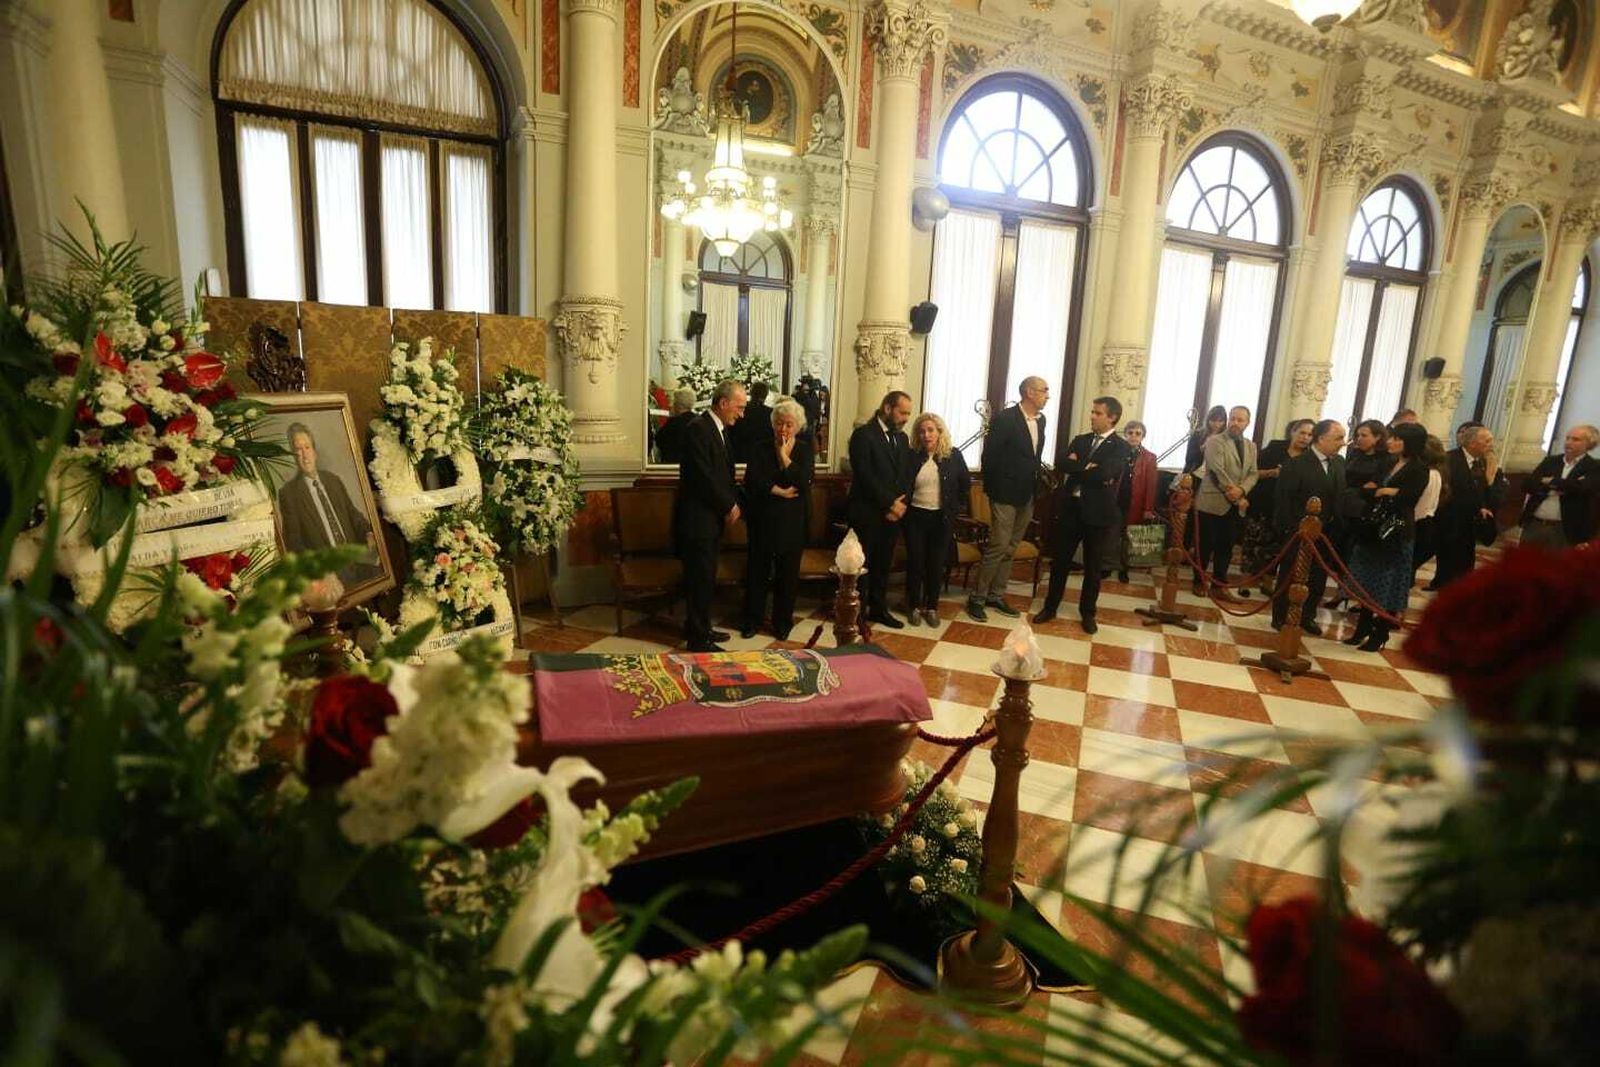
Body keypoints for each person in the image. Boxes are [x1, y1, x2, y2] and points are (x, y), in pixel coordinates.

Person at [1032, 397, 1131, 635]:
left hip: (1098, 514)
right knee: (1060, 563)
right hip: (1070, 510)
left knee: (1093, 566)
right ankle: (1050, 607)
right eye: (1092, 411)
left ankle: (1088, 613)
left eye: (1097, 413)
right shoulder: (1081, 440)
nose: (1092, 416)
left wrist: (1080, 467)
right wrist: (1087, 468)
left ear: (1112, 418)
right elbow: (1062, 462)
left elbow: (1107, 473)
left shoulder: (1120, 446)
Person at [1343, 422, 1430, 652]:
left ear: (1409, 443)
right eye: (1391, 438)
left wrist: (1384, 491)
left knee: (1387, 583)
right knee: (1367, 580)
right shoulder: (1389, 462)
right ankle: (1361, 628)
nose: (1390, 442)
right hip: (1374, 523)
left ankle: (1379, 632)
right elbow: (1370, 489)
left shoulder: (1419, 468)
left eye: (1397, 439)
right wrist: (1383, 491)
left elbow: (1407, 499)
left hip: (1397, 528)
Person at [967, 377, 1047, 622]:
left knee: (1011, 547)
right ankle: (977, 598)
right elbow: (989, 456)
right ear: (1029, 393)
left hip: (1028, 492)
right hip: (1004, 492)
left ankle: (996, 595)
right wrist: (993, 488)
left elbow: (1034, 456)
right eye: (1044, 391)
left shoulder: (1041, 420)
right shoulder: (1005, 418)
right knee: (999, 544)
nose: (1047, 395)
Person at [674, 379, 746, 651]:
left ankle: (702, 627)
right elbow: (703, 477)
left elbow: (722, 474)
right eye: (739, 407)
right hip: (697, 520)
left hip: (709, 519)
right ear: (723, 403)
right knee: (699, 578)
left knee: (706, 576)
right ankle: (697, 638)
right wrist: (729, 505)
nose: (741, 413)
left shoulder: (717, 428)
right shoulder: (698, 429)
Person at [741, 397, 813, 640]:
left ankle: (782, 622)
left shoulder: (804, 449)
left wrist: (784, 457)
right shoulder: (759, 447)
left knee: (787, 576)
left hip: (792, 522)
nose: (783, 429)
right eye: (779, 424)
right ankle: (752, 620)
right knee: (757, 572)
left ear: (797, 426)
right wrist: (778, 490)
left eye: (789, 424)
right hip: (763, 519)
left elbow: (804, 482)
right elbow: (752, 480)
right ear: (773, 424)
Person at [1271, 419, 1347, 636]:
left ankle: (1307, 616)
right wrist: (1293, 531)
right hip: (1298, 534)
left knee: (1317, 578)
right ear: (1321, 438)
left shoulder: (1339, 463)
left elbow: (1338, 497)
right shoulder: (1296, 464)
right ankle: (1281, 617)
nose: (1343, 442)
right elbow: (1283, 501)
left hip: (1326, 535)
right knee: (1290, 576)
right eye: (1338, 438)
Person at [278, 422, 379, 586]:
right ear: (293, 456)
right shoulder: (289, 494)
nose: (304, 455)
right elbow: (294, 543)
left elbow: (353, 514)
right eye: (298, 450)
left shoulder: (333, 481)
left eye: (307, 448)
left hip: (358, 559)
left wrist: (368, 532)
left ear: (315, 451)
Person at [848, 390, 913, 629]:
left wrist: (900, 505)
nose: (906, 417)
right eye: (902, 412)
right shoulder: (863, 435)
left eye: (908, 413)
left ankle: (878, 608)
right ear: (887, 408)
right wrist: (889, 503)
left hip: (892, 514)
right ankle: (858, 615)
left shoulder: (902, 438)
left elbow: (906, 474)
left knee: (883, 564)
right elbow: (865, 476)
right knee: (863, 565)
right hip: (867, 512)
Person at [903, 413, 970, 627]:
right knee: (915, 562)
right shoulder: (912, 455)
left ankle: (931, 607)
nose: (926, 435)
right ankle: (913, 605)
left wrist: (954, 510)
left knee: (936, 563)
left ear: (939, 432)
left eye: (931, 430)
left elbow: (964, 485)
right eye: (922, 431)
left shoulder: (953, 455)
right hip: (915, 516)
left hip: (941, 518)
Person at [1327, 419, 1393, 608]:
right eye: (1358, 435)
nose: (1359, 439)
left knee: (1360, 555)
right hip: (1345, 507)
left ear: (1378, 437)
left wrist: (1362, 489)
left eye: (1364, 435)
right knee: (1341, 552)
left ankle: (1362, 598)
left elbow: (1375, 486)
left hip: (1366, 511)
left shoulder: (1386, 459)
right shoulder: (1355, 453)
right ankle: (1342, 592)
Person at [1193, 405, 1259, 592]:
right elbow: (1216, 471)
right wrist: (1236, 495)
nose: (1235, 423)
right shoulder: (1215, 441)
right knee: (1205, 545)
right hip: (1212, 502)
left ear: (1247, 422)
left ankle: (1219, 584)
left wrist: (1242, 490)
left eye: (1240, 420)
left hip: (1233, 506)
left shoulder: (1251, 446)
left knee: (1226, 546)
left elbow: (1253, 474)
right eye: (1232, 418)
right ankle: (1198, 581)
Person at [1244, 418, 1313, 594]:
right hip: (1263, 502)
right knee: (1254, 542)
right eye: (1302, 433)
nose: (1305, 437)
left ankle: (1267, 582)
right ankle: (1246, 581)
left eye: (1310, 434)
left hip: (1287, 508)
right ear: (1293, 432)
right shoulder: (1275, 447)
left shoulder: (1309, 457)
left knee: (1275, 546)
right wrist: (1273, 472)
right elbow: (1253, 473)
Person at [1433, 424, 1504, 588]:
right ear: (1472, 443)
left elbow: (1485, 492)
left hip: (1471, 524)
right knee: (1448, 564)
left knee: (1465, 565)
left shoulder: (1484, 463)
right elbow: (1445, 490)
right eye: (1487, 441)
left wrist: (1484, 504)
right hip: (1450, 521)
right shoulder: (1449, 459)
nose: (1490, 445)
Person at [1518, 424, 1599, 548]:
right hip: (1534, 524)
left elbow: (1582, 488)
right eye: (1567, 438)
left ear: (1589, 444)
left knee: (1555, 566)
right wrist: (1561, 486)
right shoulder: (1551, 461)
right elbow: (1528, 484)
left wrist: (1550, 481)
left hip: (1564, 530)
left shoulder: (1593, 466)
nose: (1568, 442)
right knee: (1522, 564)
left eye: (1575, 439)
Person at [1106, 419, 1159, 584]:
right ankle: (1108, 566)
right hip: (1115, 501)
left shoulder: (1150, 458)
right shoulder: (1116, 452)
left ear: (1143, 436)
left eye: (1138, 433)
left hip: (1135, 503)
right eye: (1130, 433)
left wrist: (1148, 508)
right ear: (1125, 434)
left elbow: (1151, 485)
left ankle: (1124, 569)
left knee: (1130, 537)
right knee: (1111, 535)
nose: (1134, 436)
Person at [1185, 405, 1228, 593]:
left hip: (1217, 484)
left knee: (1211, 530)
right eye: (1213, 419)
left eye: (1220, 420)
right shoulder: (1198, 434)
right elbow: (1189, 459)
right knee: (1192, 519)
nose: (1216, 424)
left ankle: (1213, 575)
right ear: (1208, 419)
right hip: (1197, 478)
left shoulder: (1227, 439)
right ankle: (1187, 553)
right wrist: (1202, 448)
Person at [1410, 434, 1447, 583]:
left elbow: (1421, 509)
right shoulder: (1435, 473)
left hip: (1419, 525)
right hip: (1422, 525)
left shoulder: (1430, 474)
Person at [730, 381, 773, 464]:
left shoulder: (740, 410)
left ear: (751, 392)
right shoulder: (770, 413)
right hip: (763, 456)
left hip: (739, 454)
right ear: (766, 395)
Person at [654, 387, 697, 465]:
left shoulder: (672, 424)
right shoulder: (699, 422)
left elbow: (659, 440)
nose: (671, 405)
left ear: (678, 405)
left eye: (673, 402)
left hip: (671, 468)